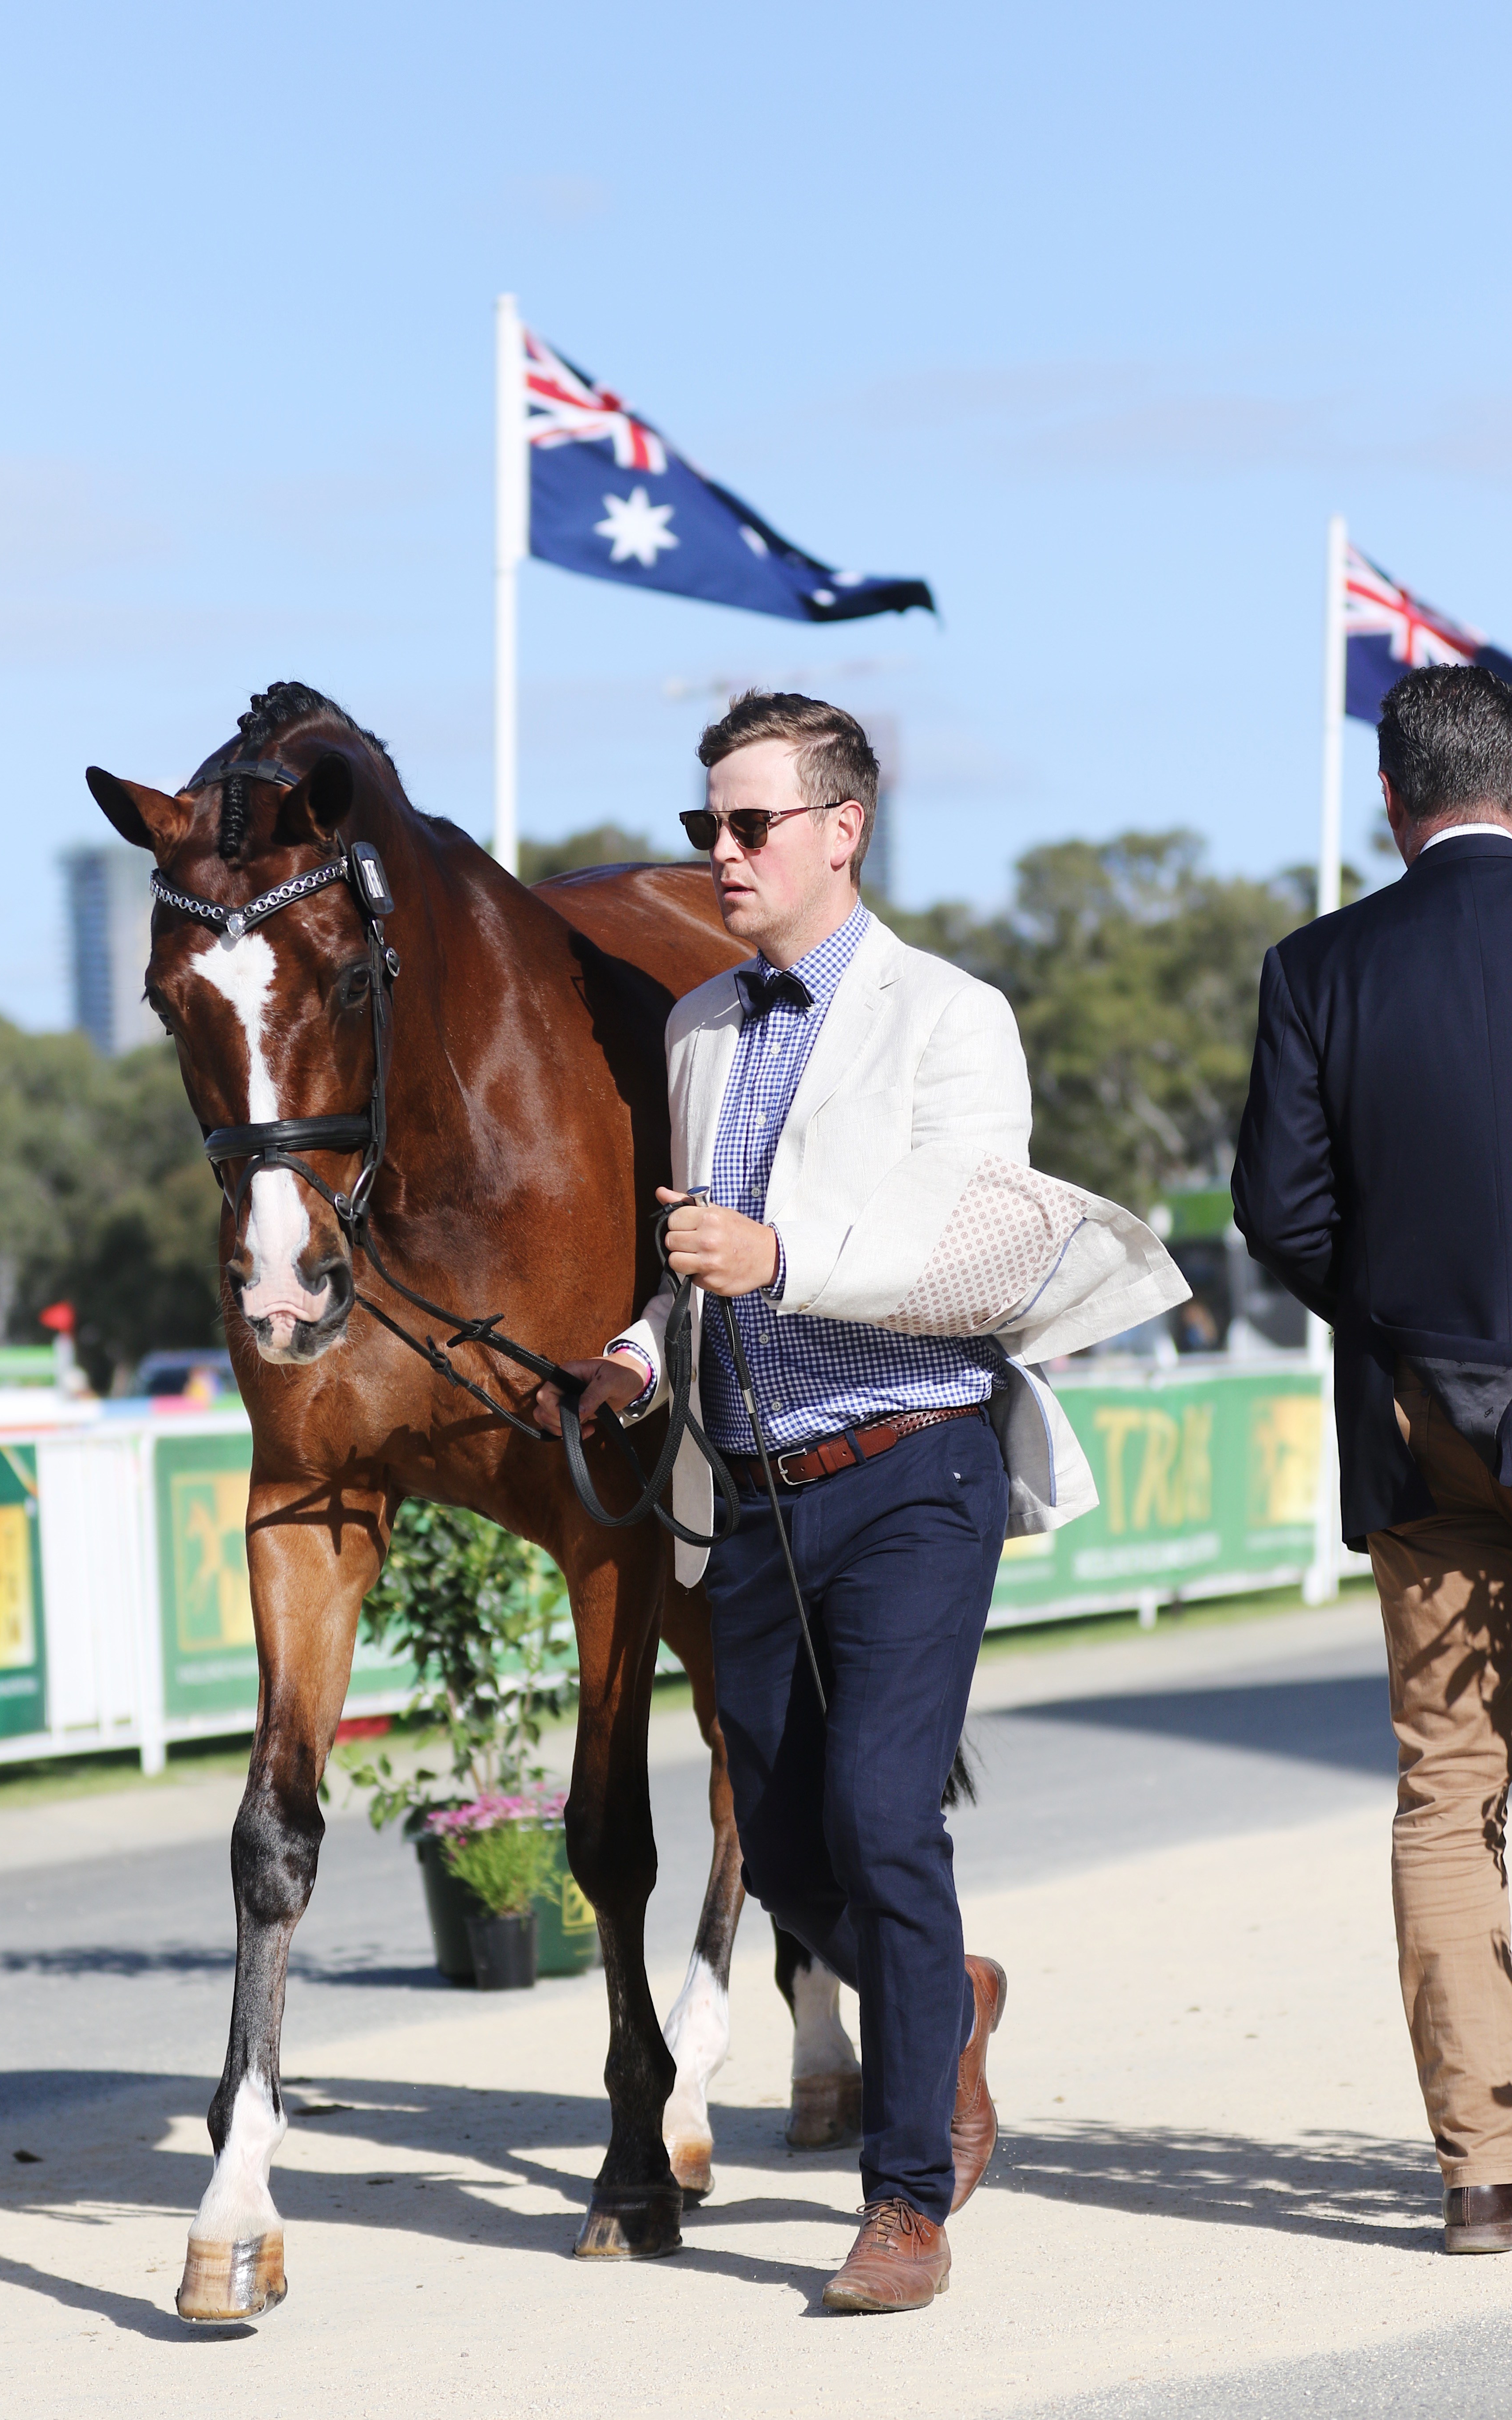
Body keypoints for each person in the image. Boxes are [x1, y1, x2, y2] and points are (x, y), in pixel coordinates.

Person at [536, 691, 1183, 2313]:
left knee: (885, 1820)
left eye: (751, 824)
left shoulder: (953, 1019)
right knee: (787, 1842)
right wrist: (635, 1350)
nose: (723, 853)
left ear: (845, 829)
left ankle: (905, 2205)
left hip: (911, 1473)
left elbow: (960, 1254)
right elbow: (704, 1264)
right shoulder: (694, 1032)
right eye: (708, 826)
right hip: (746, 1492)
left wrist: (778, 1261)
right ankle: (942, 1995)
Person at [1233, 661, 1512, 2255]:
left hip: (1417, 1421)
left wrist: (1392, 1315)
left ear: (1392, 805)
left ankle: (1480, 2170)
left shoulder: (1315, 967)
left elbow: (1282, 1212)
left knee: (1448, 1792)